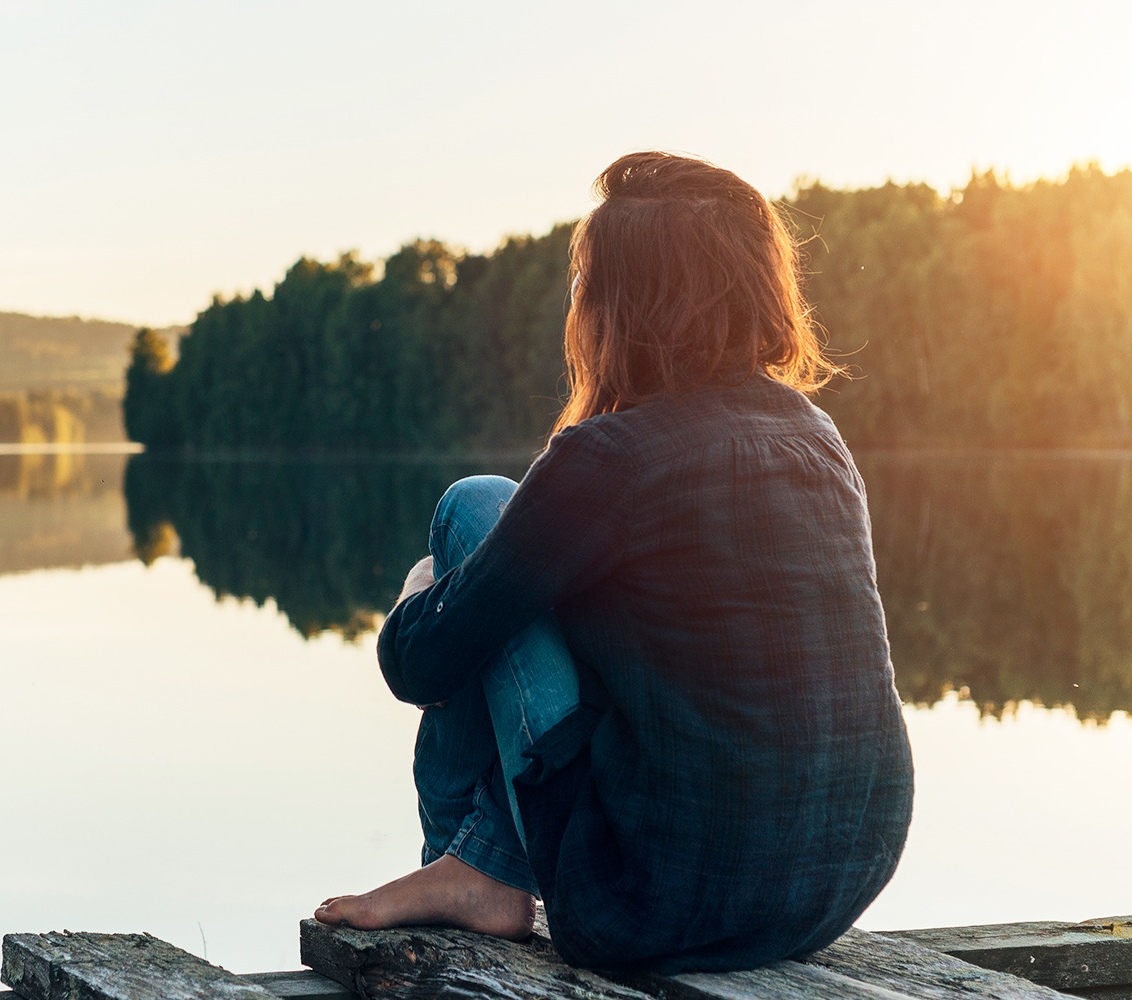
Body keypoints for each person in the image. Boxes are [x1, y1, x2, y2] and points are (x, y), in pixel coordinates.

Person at [313, 151, 915, 973]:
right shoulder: (815, 436)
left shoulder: (607, 458)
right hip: (830, 889)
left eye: (585, 281)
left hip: (650, 901)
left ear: (618, 305)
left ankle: (473, 872)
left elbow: (418, 666)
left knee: (473, 509)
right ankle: (479, 866)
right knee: (539, 579)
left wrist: (429, 588)